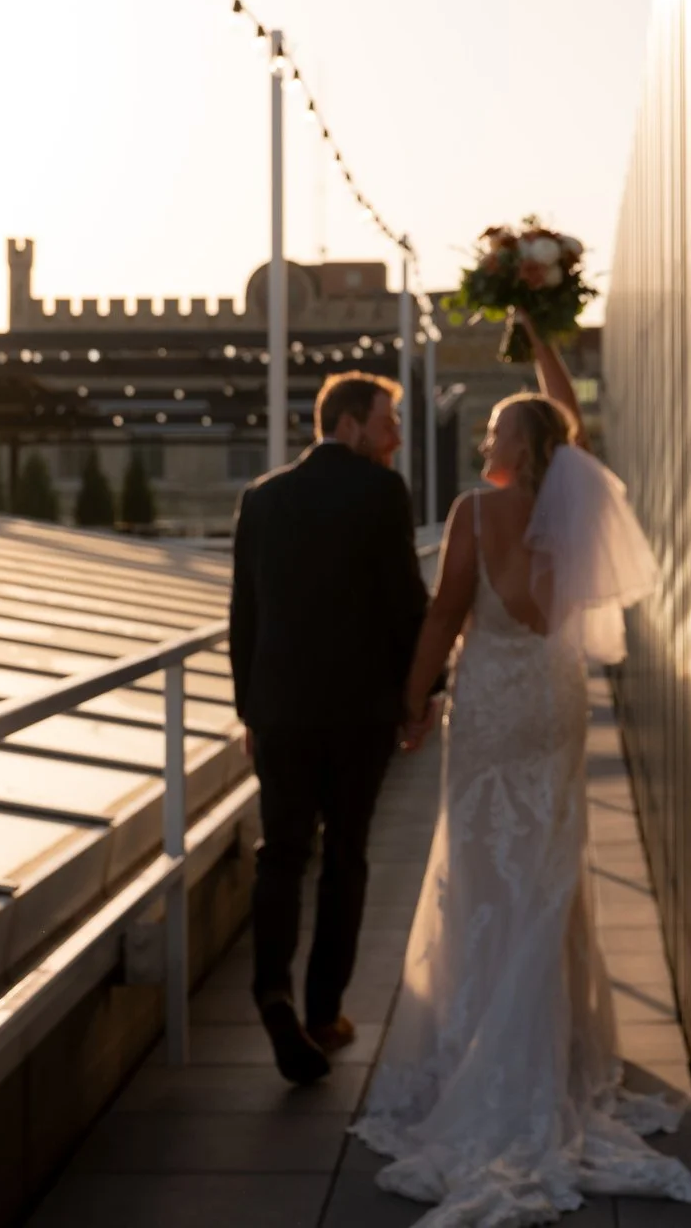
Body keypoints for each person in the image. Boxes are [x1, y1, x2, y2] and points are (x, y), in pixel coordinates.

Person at [353, 310, 691, 1225]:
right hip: (552, 703)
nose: (486, 437)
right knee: (548, 862)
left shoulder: (477, 508)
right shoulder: (570, 504)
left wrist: (413, 699)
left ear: (515, 444)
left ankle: (488, 1049)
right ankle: (554, 1047)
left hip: (493, 708)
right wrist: (543, 337)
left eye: (496, 428)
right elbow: (568, 422)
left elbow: (444, 614)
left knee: (481, 859)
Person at [228, 370, 431, 1085]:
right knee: (345, 855)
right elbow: (408, 601)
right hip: (359, 711)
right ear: (347, 422)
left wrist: (249, 709)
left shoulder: (262, 496)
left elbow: (243, 616)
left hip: (280, 709)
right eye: (387, 421)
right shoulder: (382, 493)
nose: (396, 436)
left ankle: (270, 991)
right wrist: (424, 692)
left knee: (280, 852)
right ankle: (322, 1012)